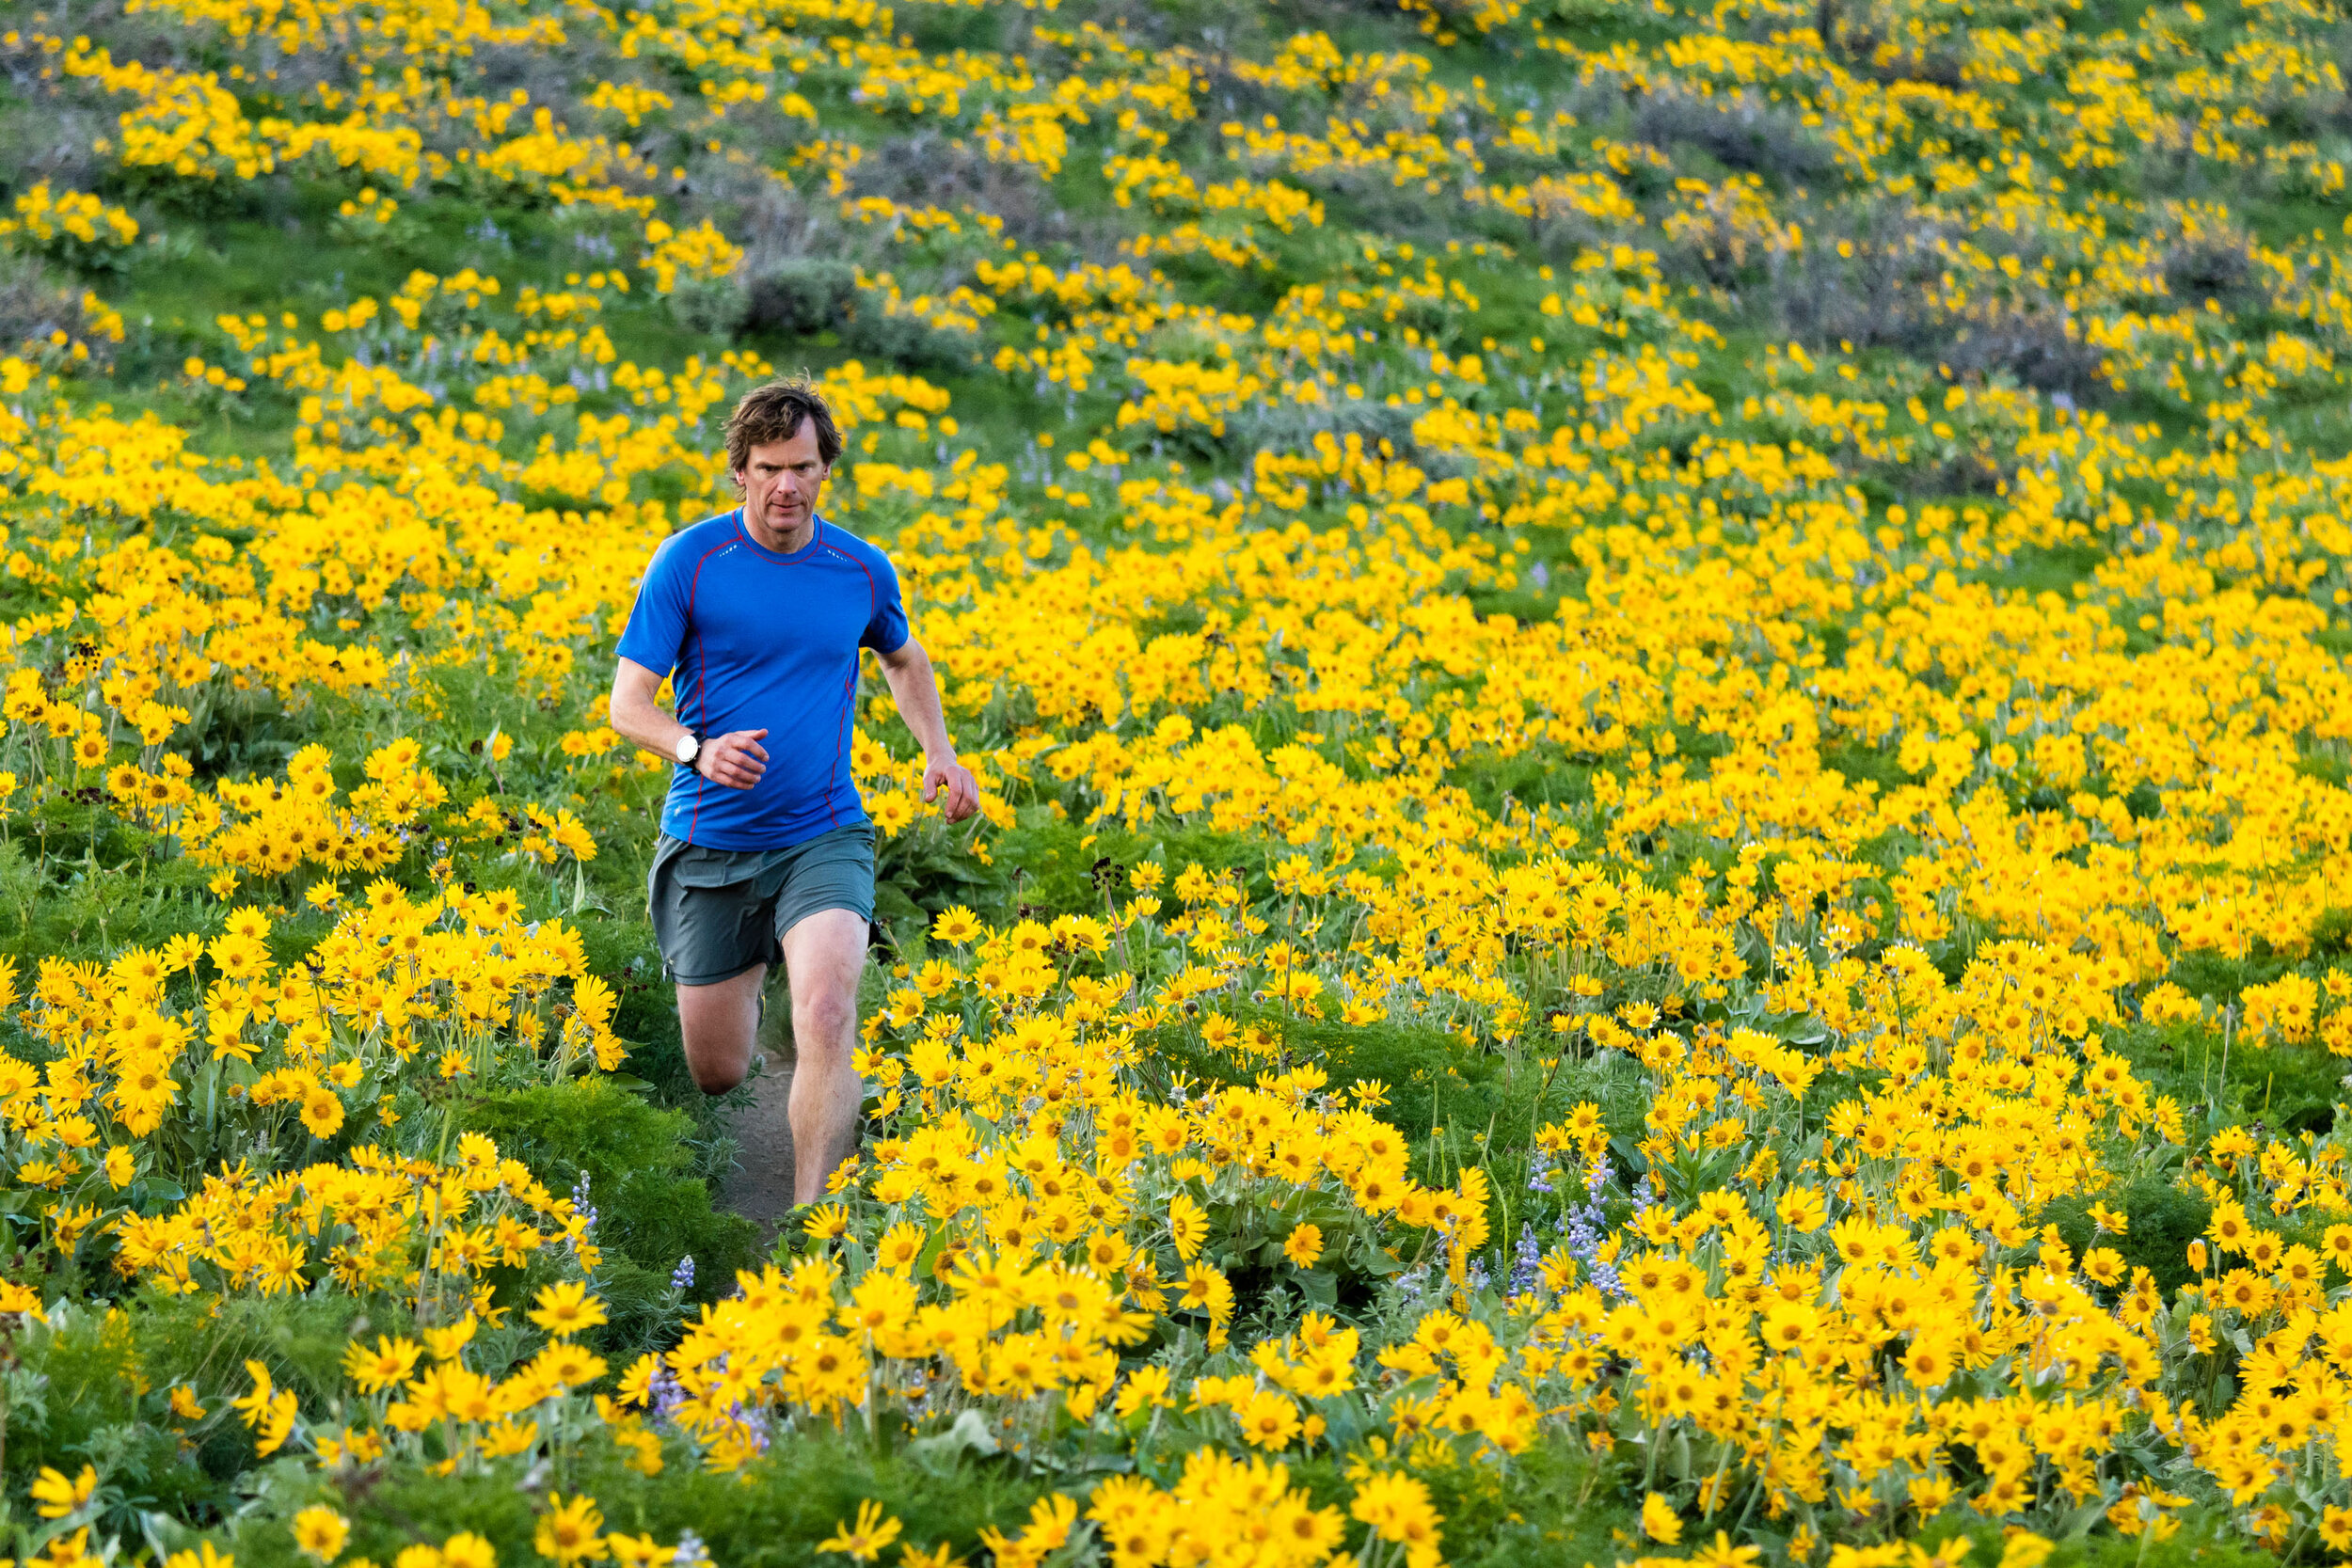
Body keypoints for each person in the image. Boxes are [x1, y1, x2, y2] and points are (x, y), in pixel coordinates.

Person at [608, 377, 978, 1206]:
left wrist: (941, 753)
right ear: (740, 470)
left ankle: (815, 1227)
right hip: (712, 839)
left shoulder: (858, 568)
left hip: (823, 831)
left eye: (804, 467)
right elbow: (627, 705)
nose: (787, 486)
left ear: (824, 470)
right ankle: (757, 986)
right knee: (719, 1069)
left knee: (824, 1007)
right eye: (770, 467)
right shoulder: (690, 561)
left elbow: (903, 659)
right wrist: (695, 748)